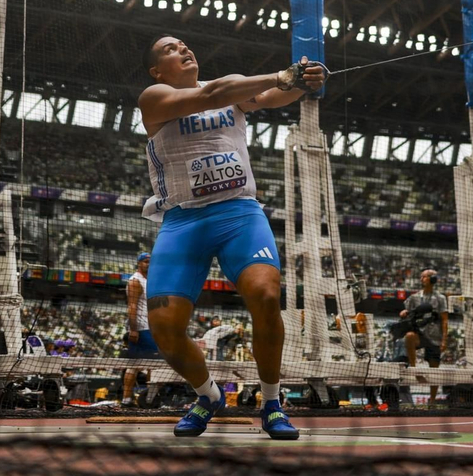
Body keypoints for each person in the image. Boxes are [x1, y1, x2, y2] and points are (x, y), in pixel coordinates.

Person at [137, 34, 325, 440]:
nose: (184, 49)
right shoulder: (154, 97)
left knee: (267, 296)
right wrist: (281, 75)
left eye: (186, 44)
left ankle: (272, 404)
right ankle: (208, 396)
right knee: (165, 330)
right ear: (157, 70)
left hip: (238, 214)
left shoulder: (236, 88)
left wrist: (302, 82)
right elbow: (213, 96)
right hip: (182, 222)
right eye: (171, 49)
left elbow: (274, 95)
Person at [400, 269, 449, 402]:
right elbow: (405, 311)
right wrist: (404, 312)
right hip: (419, 334)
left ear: (433, 279)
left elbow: (444, 320)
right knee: (409, 336)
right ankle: (413, 366)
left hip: (435, 337)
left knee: (434, 369)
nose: (422, 279)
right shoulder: (414, 297)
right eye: (421, 277)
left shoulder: (440, 298)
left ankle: (432, 399)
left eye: (425, 277)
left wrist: (444, 340)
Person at [121, 252, 161, 406]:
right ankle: (127, 399)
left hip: (151, 328)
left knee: (152, 365)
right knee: (136, 365)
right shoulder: (135, 281)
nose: (149, 265)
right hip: (141, 328)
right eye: (146, 262)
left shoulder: (149, 281)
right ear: (139, 263)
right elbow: (132, 306)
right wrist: (134, 329)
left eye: (151, 262)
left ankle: (149, 398)